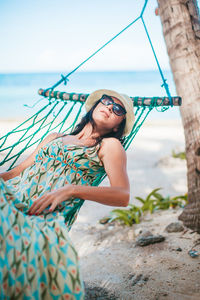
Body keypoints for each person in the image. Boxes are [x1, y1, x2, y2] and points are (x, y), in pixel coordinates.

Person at [0, 89, 135, 299]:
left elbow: (122, 195)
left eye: (117, 109)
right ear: (94, 107)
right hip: (13, 198)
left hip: (42, 216)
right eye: (106, 101)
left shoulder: (109, 146)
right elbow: (16, 172)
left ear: (118, 125)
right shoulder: (55, 137)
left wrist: (71, 190)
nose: (109, 107)